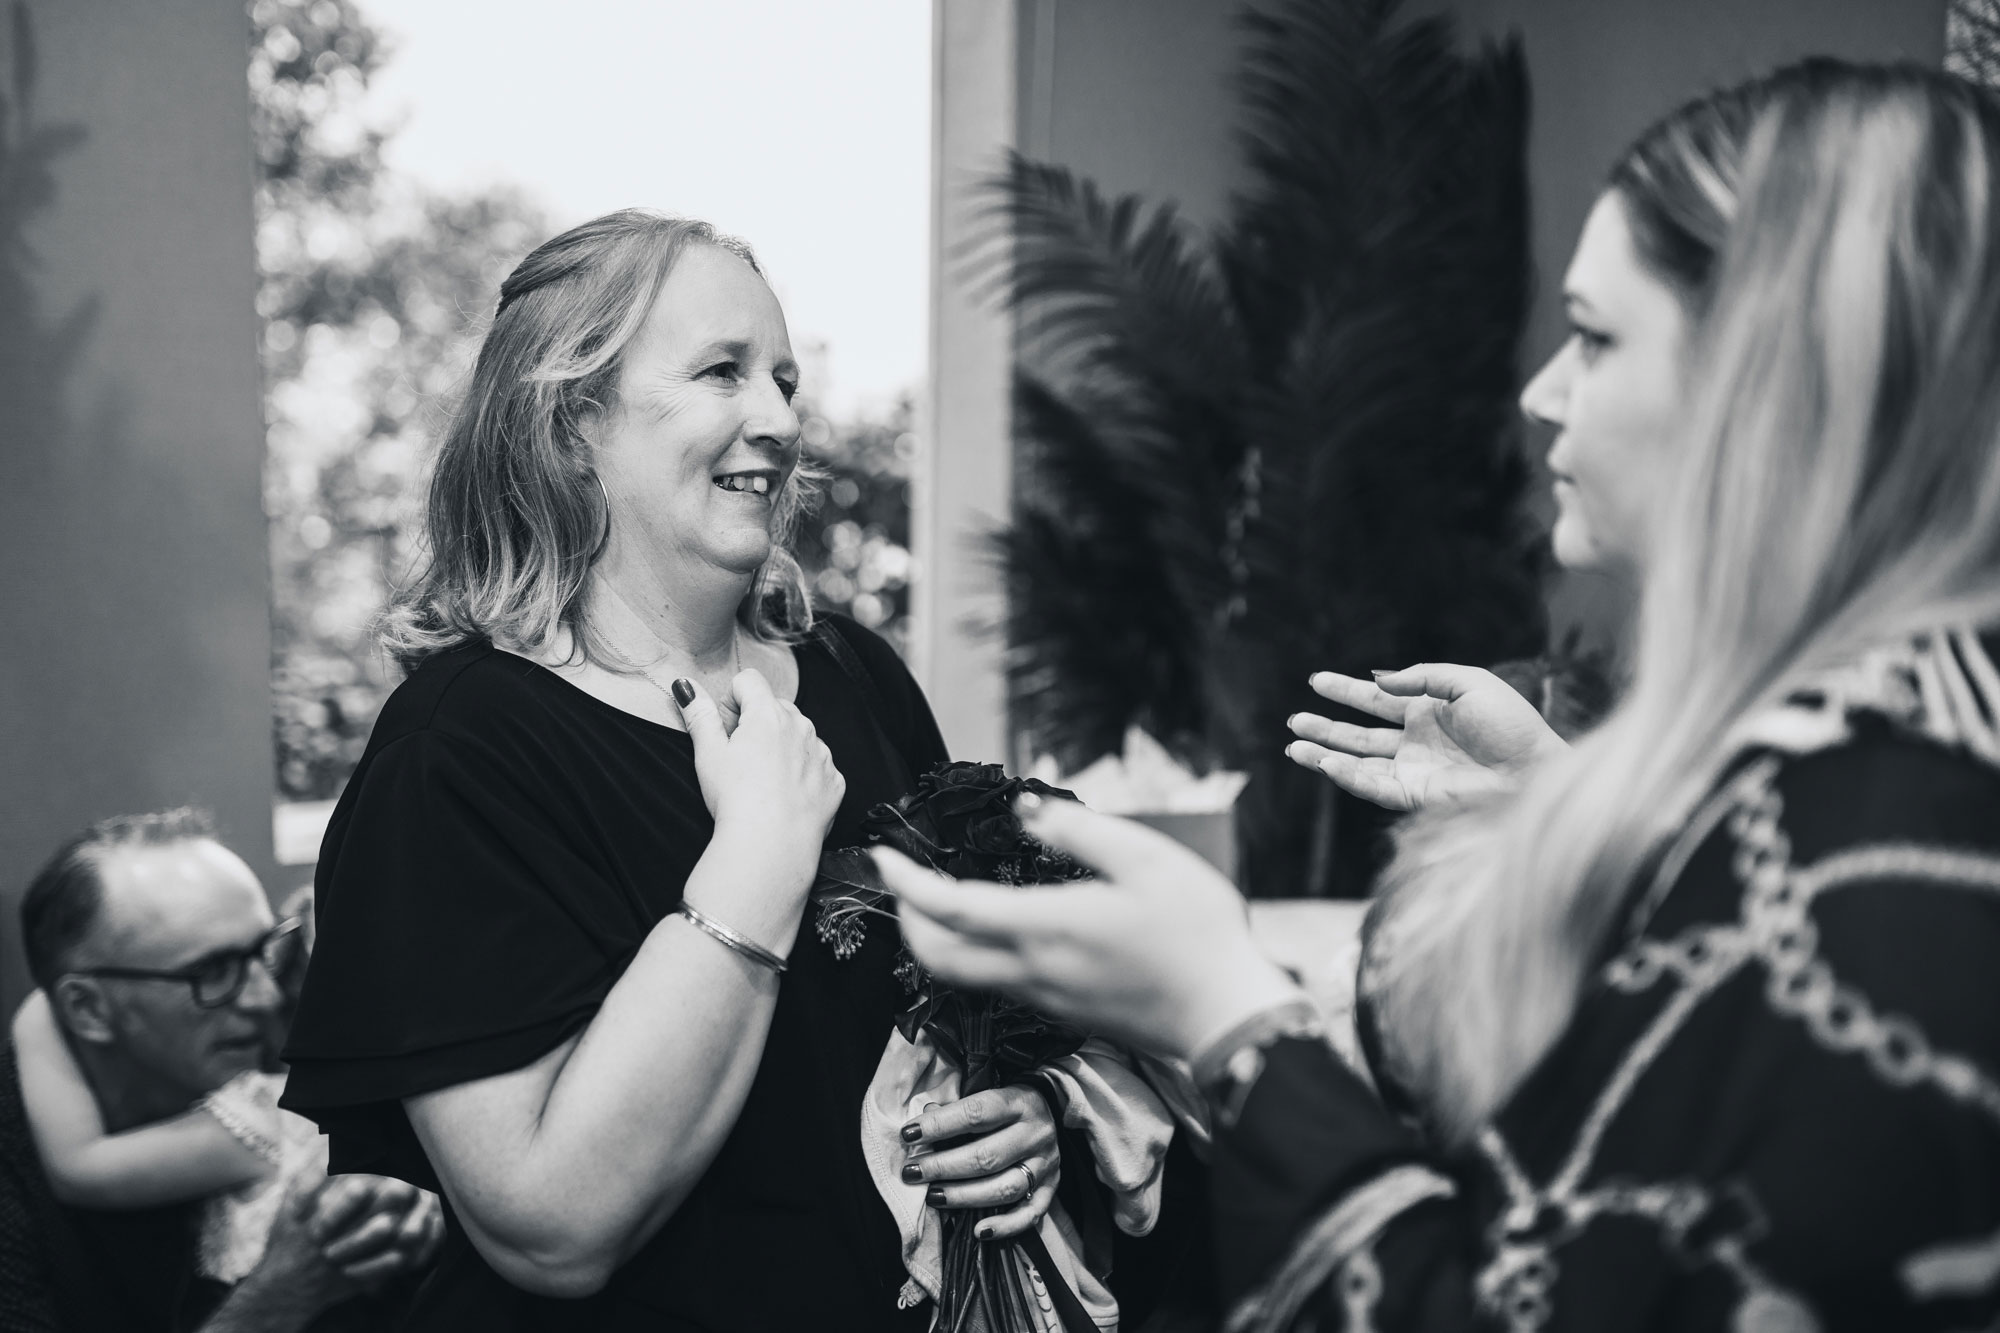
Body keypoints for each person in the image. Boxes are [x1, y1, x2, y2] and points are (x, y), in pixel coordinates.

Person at [879, 61, 2000, 1331]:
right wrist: (1556, 802)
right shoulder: (1892, 760)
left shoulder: (1874, 853)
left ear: (1770, 381)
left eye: (1593, 336)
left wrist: (1223, 1013)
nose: (1541, 394)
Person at [278, 211, 1071, 1330]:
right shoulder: (459, 752)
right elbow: (548, 1225)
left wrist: (1024, 1109)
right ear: (567, 422)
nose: (781, 420)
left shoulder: (855, 675)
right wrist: (754, 865)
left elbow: (965, 1002)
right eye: (722, 373)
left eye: (783, 380)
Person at [1285, 71, 1775, 811]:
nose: (1539, 397)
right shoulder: (1759, 714)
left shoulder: (1864, 766)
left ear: (1755, 371)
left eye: (1593, 336)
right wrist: (1545, 785)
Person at [0, 808, 442, 1331]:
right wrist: (281, 1294)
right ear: (87, 1010)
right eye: (212, 972)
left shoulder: (286, 1057)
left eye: (266, 950)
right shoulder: (21, 1179)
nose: (264, 995)